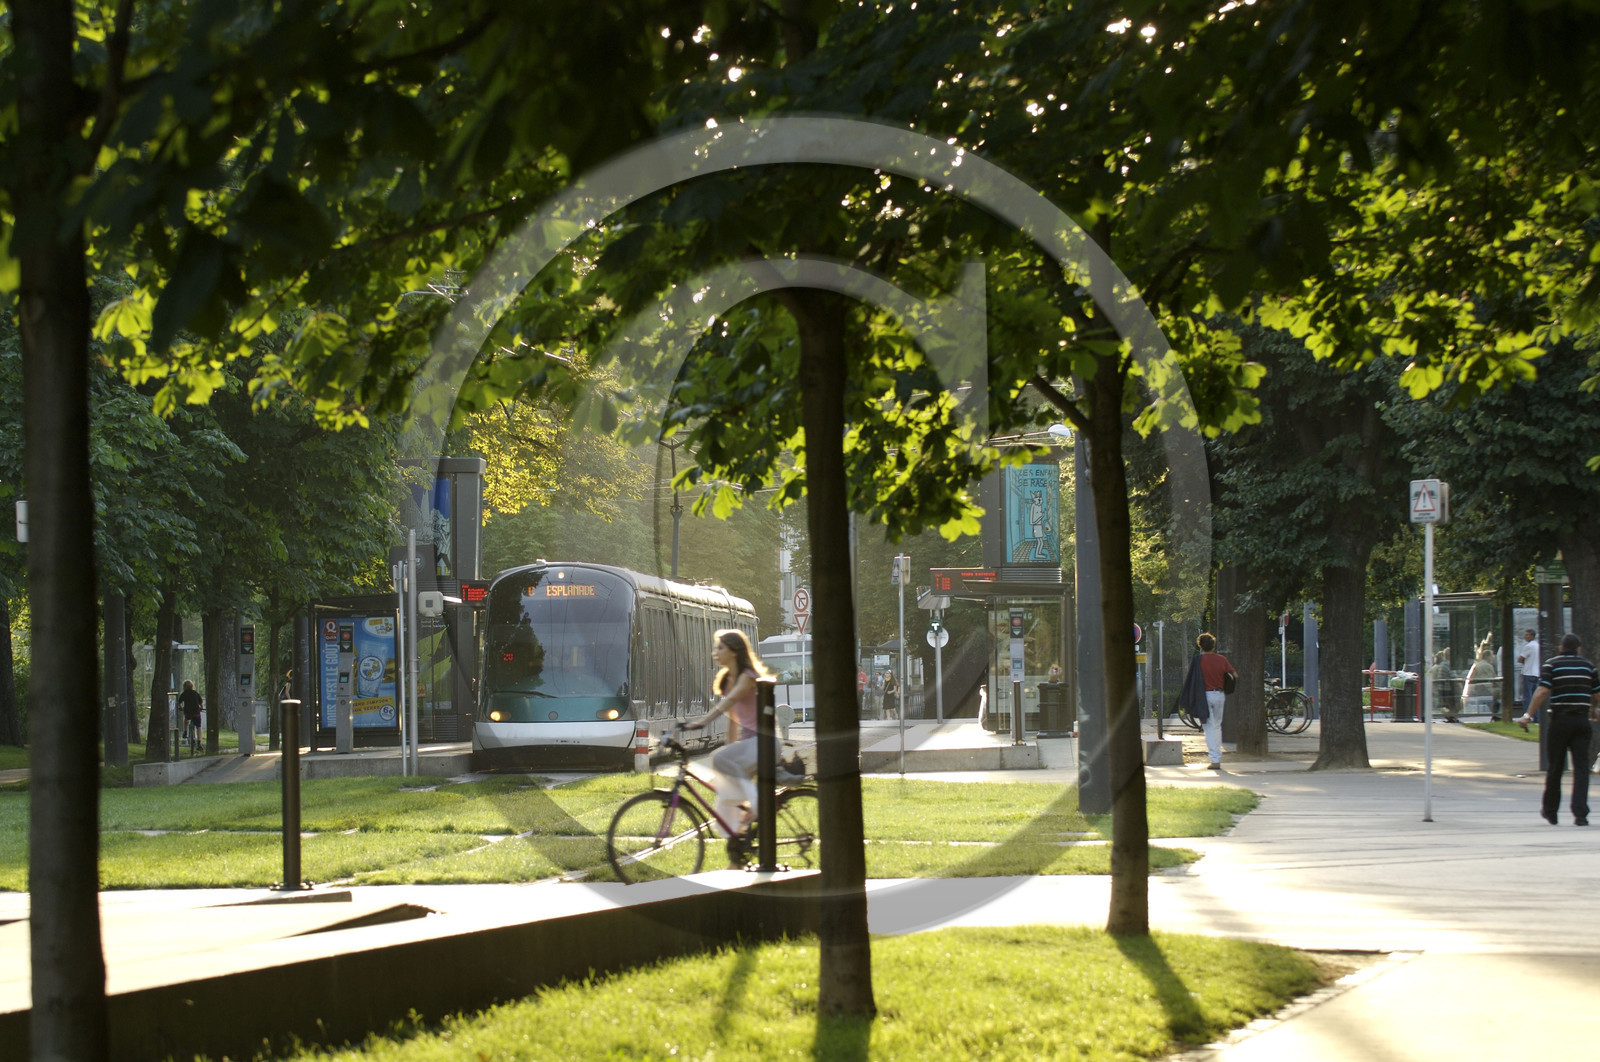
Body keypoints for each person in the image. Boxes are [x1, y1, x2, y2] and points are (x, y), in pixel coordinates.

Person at [685, 630, 777, 847]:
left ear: (734, 652)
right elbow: (733, 720)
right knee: (727, 799)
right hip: (749, 744)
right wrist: (730, 747)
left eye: (720, 648)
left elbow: (730, 701)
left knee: (718, 759)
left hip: (764, 744)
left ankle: (757, 803)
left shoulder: (748, 676)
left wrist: (702, 722)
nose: (715, 652)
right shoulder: (727, 680)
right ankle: (738, 849)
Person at [1517, 633, 1600, 825]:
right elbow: (1597, 694)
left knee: (1555, 767)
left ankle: (1551, 811)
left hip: (1560, 721)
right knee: (1581, 768)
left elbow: (1542, 691)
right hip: (1581, 721)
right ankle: (1580, 813)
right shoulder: (1589, 667)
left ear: (1561, 648)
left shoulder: (1552, 665)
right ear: (1578, 648)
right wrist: (1594, 710)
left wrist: (1528, 715)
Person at [1196, 632, 1236, 771]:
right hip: (1219, 695)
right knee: (1217, 726)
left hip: (1204, 696)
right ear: (1213, 645)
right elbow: (1234, 675)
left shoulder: (1198, 660)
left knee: (1208, 727)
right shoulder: (1222, 659)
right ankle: (1217, 755)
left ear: (1200, 646)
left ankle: (1214, 759)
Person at [1516, 629, 1541, 727]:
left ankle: (1527, 717)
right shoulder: (1538, 646)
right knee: (1535, 696)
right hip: (1536, 673)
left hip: (1528, 673)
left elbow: (1520, 659)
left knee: (1527, 696)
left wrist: (1524, 661)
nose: (1525, 637)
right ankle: (1537, 718)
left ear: (1532, 636)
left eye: (1527, 635)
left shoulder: (1528, 646)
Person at [177, 679, 204, 753]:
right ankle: (199, 742)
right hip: (196, 712)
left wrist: (181, 707)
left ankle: (185, 731)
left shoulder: (184, 694)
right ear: (192, 686)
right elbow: (201, 702)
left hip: (188, 712)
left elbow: (179, 702)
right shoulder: (195, 693)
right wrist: (201, 707)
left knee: (186, 720)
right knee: (198, 726)